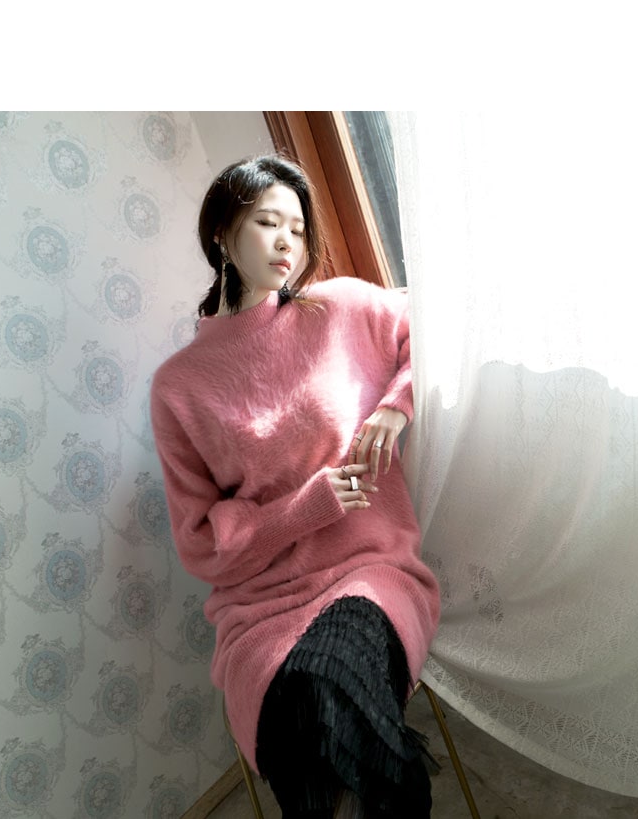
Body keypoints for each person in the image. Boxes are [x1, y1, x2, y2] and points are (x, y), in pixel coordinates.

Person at [149, 154, 441, 818]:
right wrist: (304, 509)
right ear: (222, 234)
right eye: (266, 223)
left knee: (323, 688)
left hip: (368, 570)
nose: (287, 242)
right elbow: (199, 544)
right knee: (293, 724)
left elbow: (433, 327)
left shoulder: (340, 309)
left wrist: (396, 405)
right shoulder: (178, 387)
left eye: (299, 229)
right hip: (258, 605)